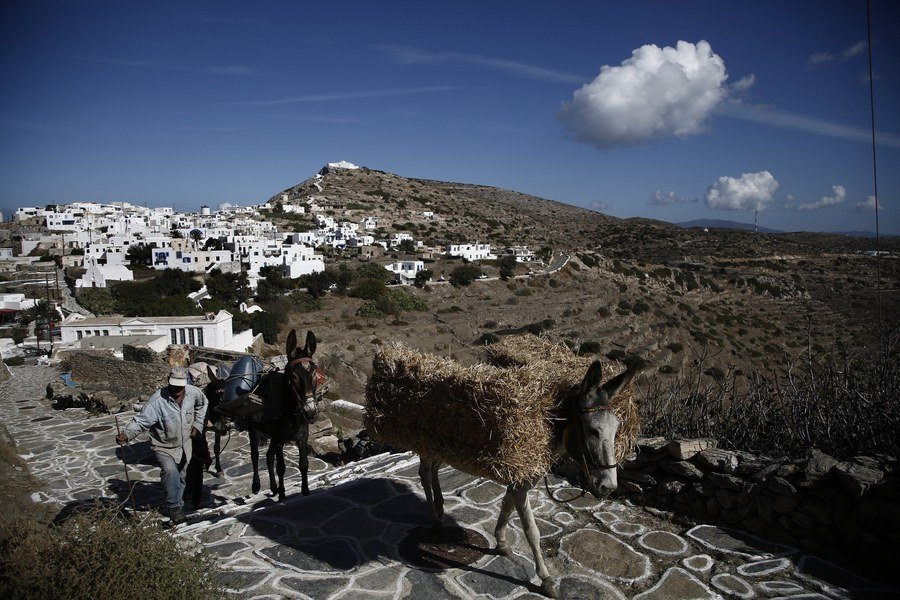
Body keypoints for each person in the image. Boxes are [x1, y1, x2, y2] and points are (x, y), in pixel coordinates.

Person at [115, 366, 208, 525]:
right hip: (163, 445)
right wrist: (127, 434)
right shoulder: (157, 401)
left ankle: (178, 500)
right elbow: (142, 421)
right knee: (170, 471)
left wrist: (198, 425)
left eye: (180, 385)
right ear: (168, 382)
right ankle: (175, 508)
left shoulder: (194, 393)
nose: (177, 389)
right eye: (174, 385)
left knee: (183, 476)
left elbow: (202, 405)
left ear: (185, 383)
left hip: (185, 444)